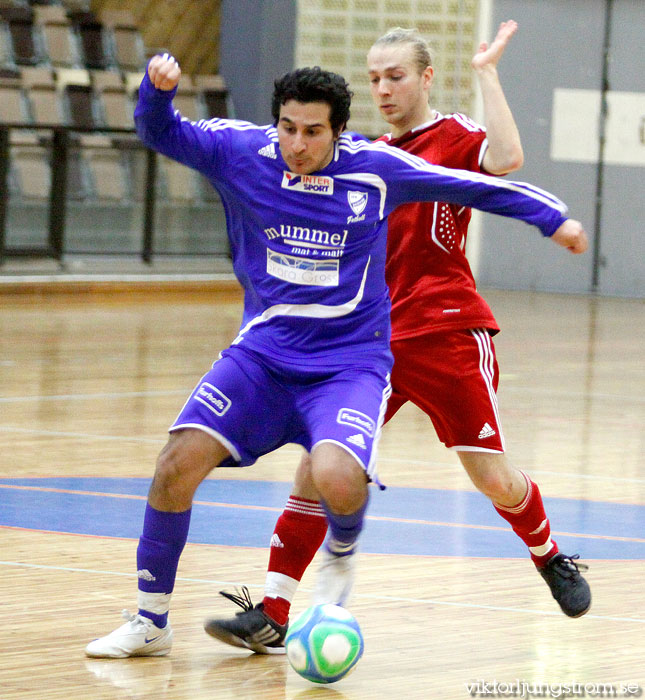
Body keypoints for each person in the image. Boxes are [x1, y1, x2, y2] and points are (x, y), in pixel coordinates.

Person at [85, 51, 587, 659]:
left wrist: (551, 217)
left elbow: (484, 180)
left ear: (338, 131)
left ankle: (515, 554)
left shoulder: (388, 164)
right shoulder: (244, 153)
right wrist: (157, 92)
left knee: (437, 475)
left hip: (391, 348)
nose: (298, 144)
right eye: (289, 129)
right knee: (190, 465)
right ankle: (190, 618)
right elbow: (160, 132)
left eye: (313, 131)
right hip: (276, 352)